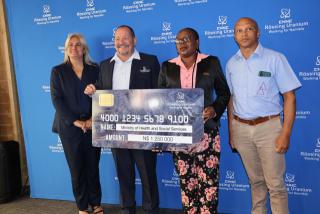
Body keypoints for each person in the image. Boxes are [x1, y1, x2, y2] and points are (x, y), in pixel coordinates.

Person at [226, 17, 302, 214]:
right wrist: (232, 133)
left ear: (258, 32)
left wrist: (285, 133)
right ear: (234, 36)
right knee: (255, 182)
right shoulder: (231, 64)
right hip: (241, 129)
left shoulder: (275, 58)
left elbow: (289, 97)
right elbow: (231, 99)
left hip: (269, 129)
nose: (244, 33)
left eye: (249, 29)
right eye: (239, 30)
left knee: (275, 185)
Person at [84, 25, 159, 214]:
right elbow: (101, 91)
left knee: (148, 175)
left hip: (144, 131)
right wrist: (93, 89)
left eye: (125, 38)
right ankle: (127, 210)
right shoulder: (105, 65)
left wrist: (158, 130)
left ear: (134, 40)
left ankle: (151, 210)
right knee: (124, 174)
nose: (121, 42)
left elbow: (161, 94)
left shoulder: (150, 62)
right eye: (117, 38)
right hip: (116, 131)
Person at [158, 27, 230, 214]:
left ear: (197, 42)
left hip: (207, 133)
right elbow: (159, 100)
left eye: (187, 39)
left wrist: (215, 109)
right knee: (187, 182)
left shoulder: (211, 62)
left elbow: (224, 93)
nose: (182, 43)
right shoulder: (167, 66)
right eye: (178, 40)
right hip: (179, 134)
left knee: (209, 183)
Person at [50, 33, 103, 214]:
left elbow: (103, 98)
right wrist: (76, 122)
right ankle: (82, 207)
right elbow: (57, 101)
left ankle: (96, 204)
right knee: (76, 169)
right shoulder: (58, 71)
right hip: (69, 128)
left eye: (78, 44)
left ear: (84, 49)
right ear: (66, 50)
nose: (74, 48)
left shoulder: (95, 70)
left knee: (92, 167)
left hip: (92, 125)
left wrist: (90, 121)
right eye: (70, 45)